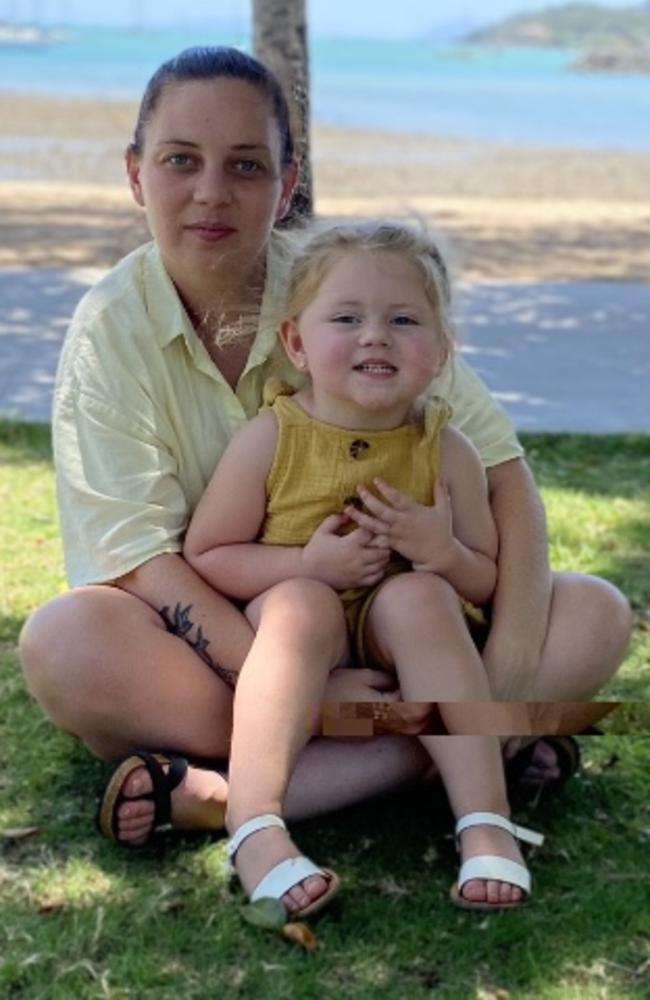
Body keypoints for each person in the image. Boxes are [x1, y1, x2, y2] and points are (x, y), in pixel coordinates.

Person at [18, 46, 631, 854]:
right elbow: (139, 559)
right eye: (180, 161)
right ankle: (461, 754)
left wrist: (506, 675)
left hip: (409, 633)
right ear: (136, 175)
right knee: (65, 643)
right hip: (241, 638)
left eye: (246, 164)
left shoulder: (346, 290)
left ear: (287, 180)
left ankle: (239, 793)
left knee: (595, 612)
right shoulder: (109, 331)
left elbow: (503, 474)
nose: (212, 192)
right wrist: (304, 684)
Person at [184, 219, 549, 914]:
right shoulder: (273, 437)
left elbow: (486, 578)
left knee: (420, 599)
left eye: (404, 320)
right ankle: (255, 823)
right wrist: (308, 563)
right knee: (300, 604)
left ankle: (484, 820)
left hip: (403, 640)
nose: (374, 336)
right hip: (302, 635)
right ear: (296, 342)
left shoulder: (447, 451)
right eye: (346, 317)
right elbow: (209, 554)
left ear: (442, 351)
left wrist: (442, 552)